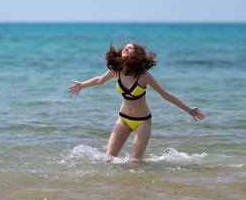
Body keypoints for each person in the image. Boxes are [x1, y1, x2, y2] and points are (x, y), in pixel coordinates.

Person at [68, 41, 205, 160]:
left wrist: (189, 110)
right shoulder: (116, 71)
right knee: (108, 159)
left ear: (137, 55)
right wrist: (81, 85)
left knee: (135, 162)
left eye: (130, 48)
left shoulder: (144, 76)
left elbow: (165, 95)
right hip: (123, 119)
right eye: (125, 47)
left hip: (143, 121)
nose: (125, 49)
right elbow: (99, 80)